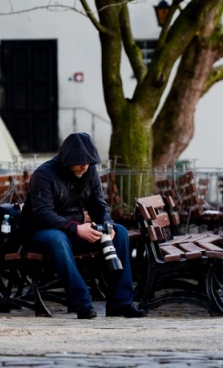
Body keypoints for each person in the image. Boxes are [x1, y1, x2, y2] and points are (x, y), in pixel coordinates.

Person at [22, 132, 146, 319]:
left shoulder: (89, 171)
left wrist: (107, 225)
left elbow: (99, 205)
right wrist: (76, 228)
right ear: (67, 159)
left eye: (89, 162)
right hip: (39, 232)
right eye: (80, 162)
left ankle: (121, 303)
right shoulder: (44, 175)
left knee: (119, 232)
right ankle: (82, 304)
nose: (85, 166)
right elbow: (42, 215)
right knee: (58, 239)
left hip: (74, 230)